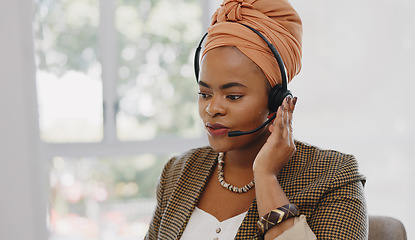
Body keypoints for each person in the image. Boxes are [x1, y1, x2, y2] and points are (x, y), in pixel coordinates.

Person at [145, 0, 367, 239]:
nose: (212, 108)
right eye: (204, 94)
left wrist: (266, 177)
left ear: (276, 100)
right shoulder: (179, 172)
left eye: (233, 96)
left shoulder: (334, 176)